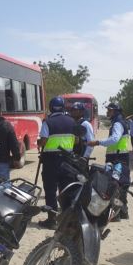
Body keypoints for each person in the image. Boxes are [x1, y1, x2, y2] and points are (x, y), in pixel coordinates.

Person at [38, 96, 76, 229]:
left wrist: (38, 142)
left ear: (50, 107)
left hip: (51, 160)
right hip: (68, 160)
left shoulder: (48, 122)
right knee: (66, 189)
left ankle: (52, 219)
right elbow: (76, 141)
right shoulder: (72, 122)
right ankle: (68, 219)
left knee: (50, 189)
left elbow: (43, 141)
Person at [88, 102, 131, 220]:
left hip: (118, 159)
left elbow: (114, 139)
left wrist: (97, 142)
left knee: (116, 184)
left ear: (115, 111)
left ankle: (118, 213)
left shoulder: (118, 123)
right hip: (118, 157)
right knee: (120, 184)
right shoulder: (119, 122)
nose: (107, 112)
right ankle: (122, 212)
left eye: (109, 110)